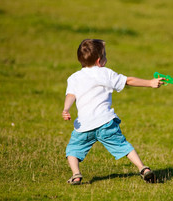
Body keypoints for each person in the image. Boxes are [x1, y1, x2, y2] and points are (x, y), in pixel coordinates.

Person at [62, 39, 163, 185]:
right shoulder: (105, 73)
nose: (106, 59)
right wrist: (150, 82)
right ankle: (143, 168)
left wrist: (66, 109)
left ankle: (76, 174)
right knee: (123, 146)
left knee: (72, 150)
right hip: (105, 122)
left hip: (85, 125)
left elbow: (70, 95)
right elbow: (128, 81)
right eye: (105, 56)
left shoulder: (74, 78)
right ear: (99, 61)